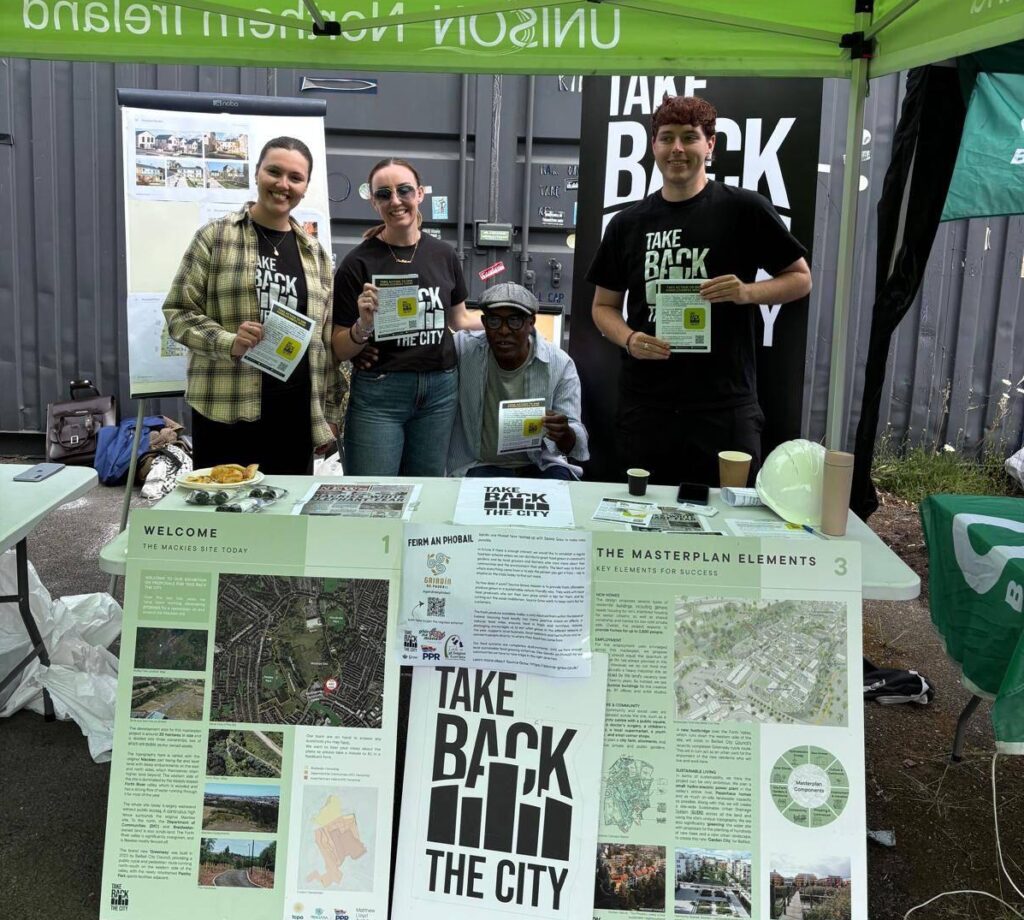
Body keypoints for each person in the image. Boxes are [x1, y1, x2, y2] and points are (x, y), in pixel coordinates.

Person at [586, 94, 812, 487]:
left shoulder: (744, 208)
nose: (677, 149)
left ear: (710, 145)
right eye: (666, 137)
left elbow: (800, 278)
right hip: (647, 406)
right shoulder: (627, 223)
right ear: (653, 145)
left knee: (729, 530)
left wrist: (746, 293)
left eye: (689, 137)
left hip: (725, 406)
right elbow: (603, 306)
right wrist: (630, 338)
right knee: (645, 526)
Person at [163, 136, 340, 474]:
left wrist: (327, 413)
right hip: (226, 410)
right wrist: (230, 342)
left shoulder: (315, 254)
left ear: (305, 187)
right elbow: (178, 312)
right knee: (225, 519)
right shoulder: (215, 237)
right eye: (274, 171)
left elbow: (324, 341)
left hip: (293, 414)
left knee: (286, 520)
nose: (282, 184)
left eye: (295, 177)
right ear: (257, 173)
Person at [332, 157, 480, 476]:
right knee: (373, 495)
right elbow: (340, 348)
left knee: (426, 492)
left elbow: (460, 320)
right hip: (381, 392)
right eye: (384, 194)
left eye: (404, 191)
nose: (395, 201)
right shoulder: (357, 263)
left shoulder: (443, 254)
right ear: (374, 202)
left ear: (420, 194)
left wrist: (512, 318)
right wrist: (363, 326)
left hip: (440, 390)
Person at [447, 283, 589, 479]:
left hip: (539, 464)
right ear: (484, 322)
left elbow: (577, 439)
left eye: (514, 321)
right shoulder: (463, 351)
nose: (504, 331)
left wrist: (565, 433)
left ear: (531, 322)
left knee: (561, 499)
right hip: (480, 465)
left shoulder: (559, 364)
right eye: (494, 321)